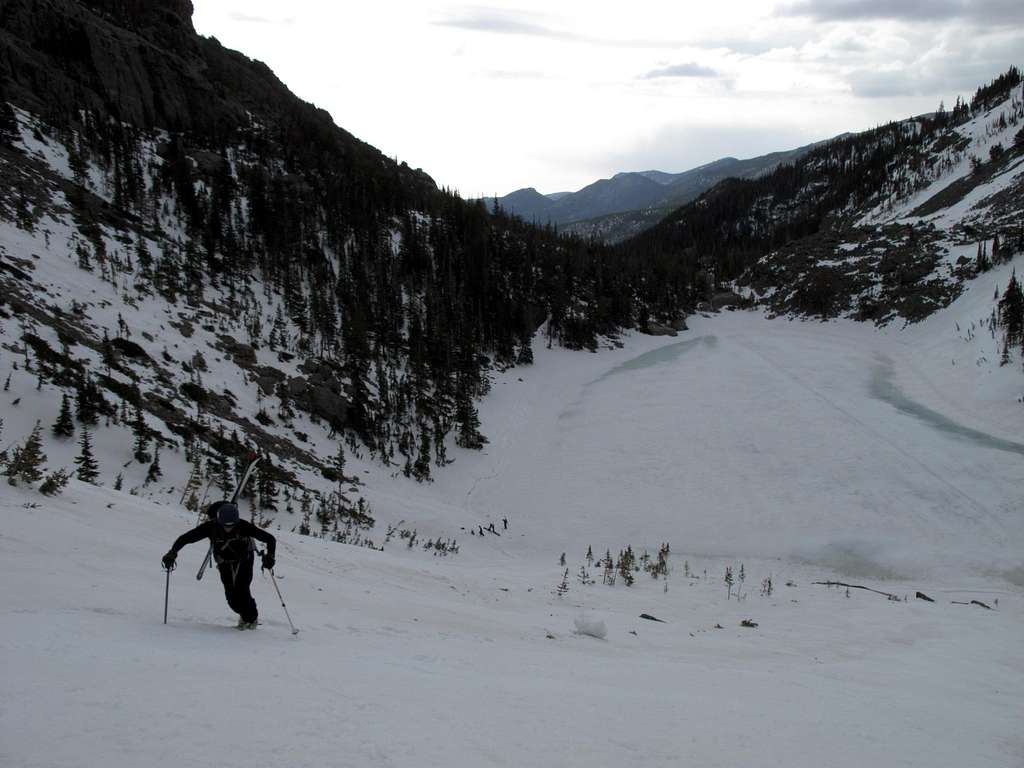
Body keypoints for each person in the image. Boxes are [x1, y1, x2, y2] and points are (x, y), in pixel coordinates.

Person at [161, 500, 276, 630]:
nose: (228, 528)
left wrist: (270, 556)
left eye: (231, 525)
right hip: (224, 562)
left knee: (242, 590)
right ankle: (244, 614)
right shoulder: (211, 527)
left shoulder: (244, 526)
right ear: (218, 520)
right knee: (232, 598)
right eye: (225, 526)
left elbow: (270, 539)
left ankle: (250, 619)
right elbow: (186, 538)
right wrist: (172, 553)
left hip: (245, 560)